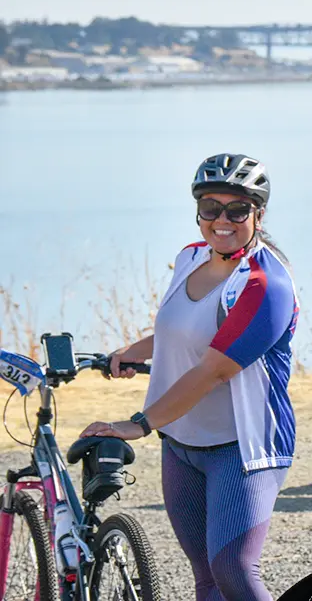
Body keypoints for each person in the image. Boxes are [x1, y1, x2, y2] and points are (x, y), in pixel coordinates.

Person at [82, 153, 299, 601]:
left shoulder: (265, 284)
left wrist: (138, 423)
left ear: (258, 213)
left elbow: (214, 370)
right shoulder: (190, 258)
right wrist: (130, 352)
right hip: (181, 444)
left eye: (237, 209)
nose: (222, 219)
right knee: (205, 575)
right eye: (210, 208)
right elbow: (178, 328)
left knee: (234, 569)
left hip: (244, 446)